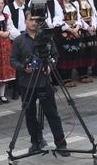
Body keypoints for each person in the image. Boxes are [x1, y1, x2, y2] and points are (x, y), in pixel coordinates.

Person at [10, 12, 67, 156]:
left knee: (52, 113)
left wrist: (50, 66)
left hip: (44, 81)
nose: (34, 23)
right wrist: (24, 68)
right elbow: (13, 60)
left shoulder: (46, 38)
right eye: (31, 20)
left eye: (37, 20)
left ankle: (61, 143)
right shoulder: (19, 40)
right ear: (25, 21)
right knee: (30, 114)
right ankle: (36, 141)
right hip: (27, 83)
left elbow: (55, 55)